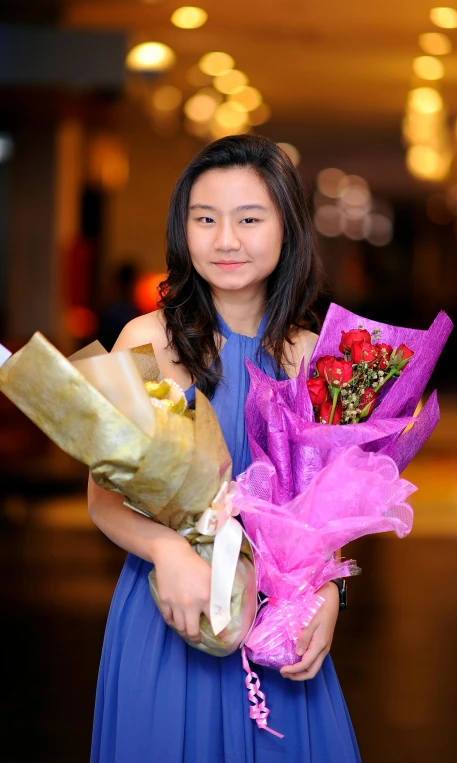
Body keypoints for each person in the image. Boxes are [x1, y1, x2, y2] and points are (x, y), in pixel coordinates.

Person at [88, 134, 361, 762]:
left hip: (278, 624)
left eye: (248, 219)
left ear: (287, 229)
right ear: (183, 230)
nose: (226, 239)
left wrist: (329, 592)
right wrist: (166, 551)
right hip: (169, 611)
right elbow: (102, 499)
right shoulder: (149, 340)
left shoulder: (318, 355)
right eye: (204, 219)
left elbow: (333, 508)